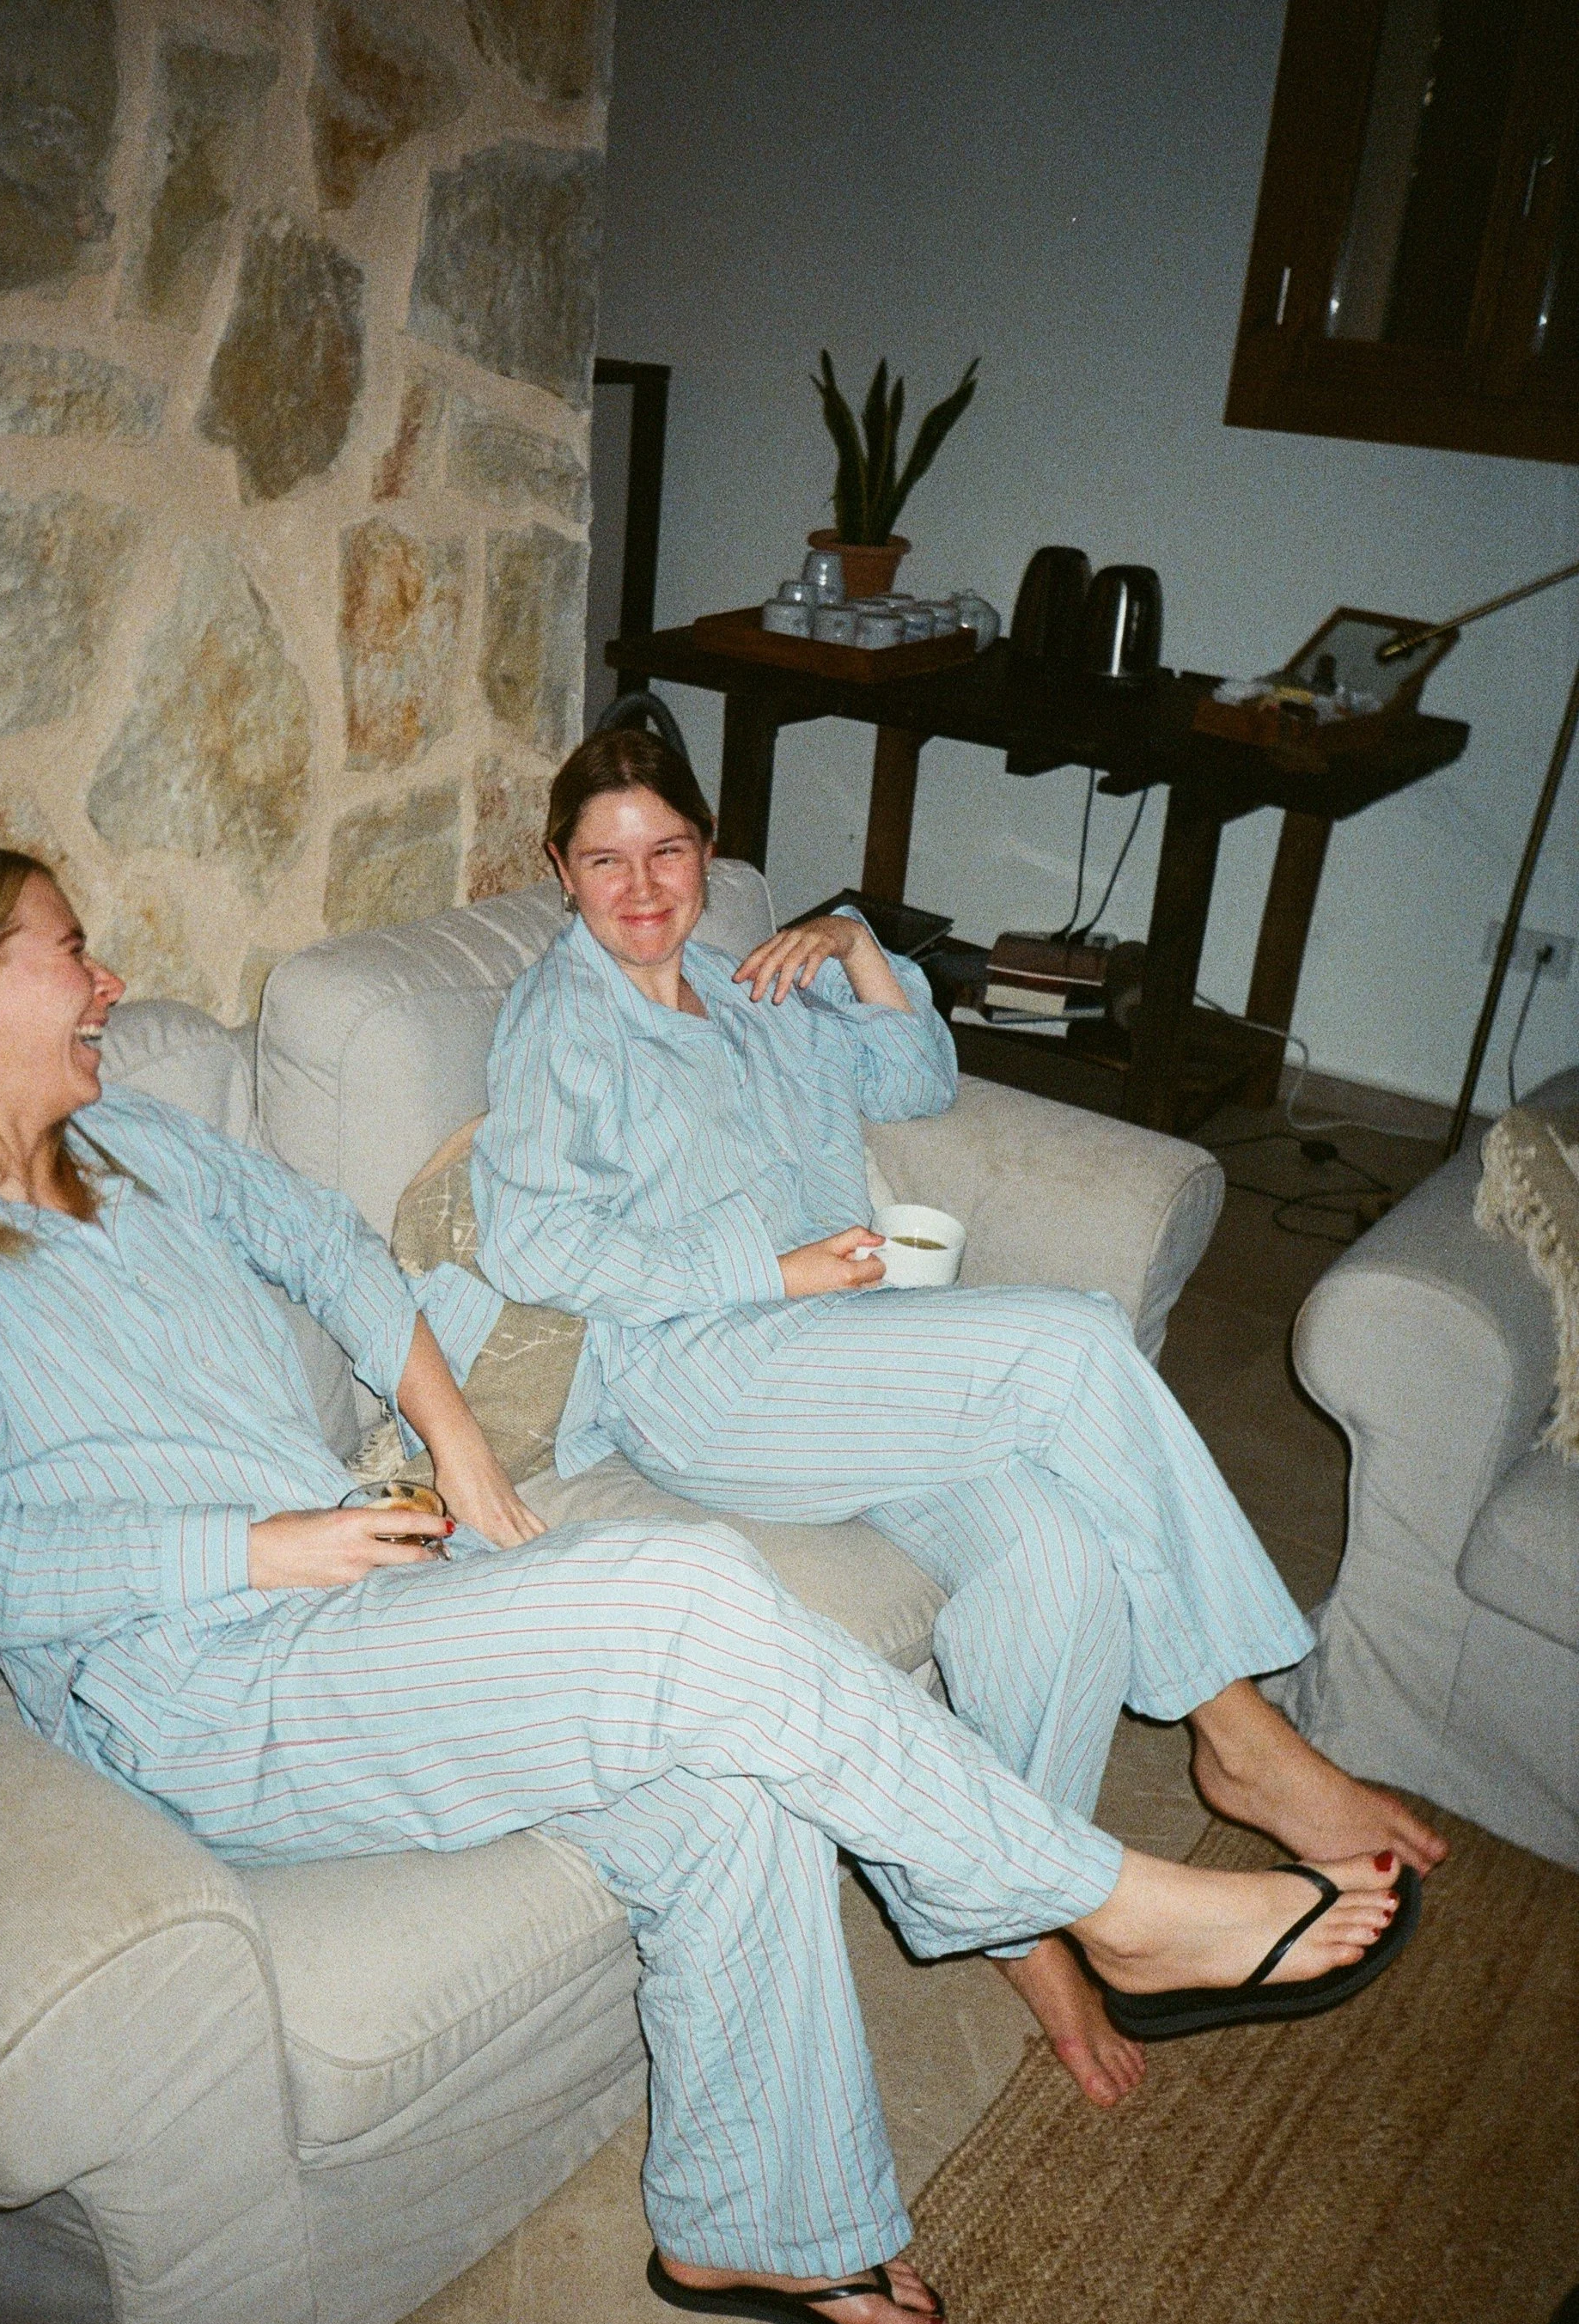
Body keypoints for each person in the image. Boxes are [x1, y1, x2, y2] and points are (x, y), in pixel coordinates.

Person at [0, 845, 1411, 2324]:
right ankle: (1095, 1897)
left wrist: (449, 1436)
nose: (105, 981)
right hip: (193, 1688)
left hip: (363, 1585)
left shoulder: (136, 1146)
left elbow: (334, 1248)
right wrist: (257, 1548)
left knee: (721, 1782)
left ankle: (749, 2228)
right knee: (685, 1591)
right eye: (71, 952)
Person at [472, 729, 1446, 2108]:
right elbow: (531, 1242)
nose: (641, 887)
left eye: (667, 850)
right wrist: (770, 1267)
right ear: (560, 870)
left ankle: (1026, 1920)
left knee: (1055, 1558)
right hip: (708, 1379)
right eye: (604, 860)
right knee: (1071, 1343)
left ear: (706, 849)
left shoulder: (748, 984)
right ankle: (1242, 1735)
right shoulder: (562, 1023)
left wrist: (858, 947)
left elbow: (914, 1079)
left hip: (840, 1357)